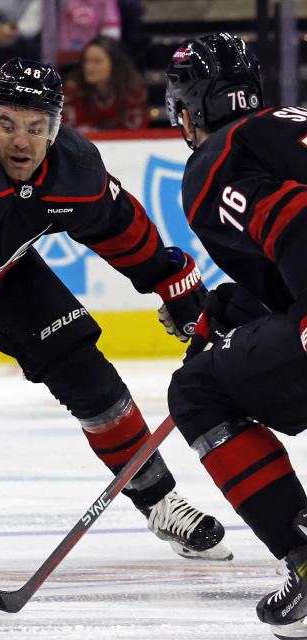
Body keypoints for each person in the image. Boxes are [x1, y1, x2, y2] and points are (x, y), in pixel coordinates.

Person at [0, 56, 235, 564]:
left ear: (55, 128)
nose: (21, 141)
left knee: (88, 375)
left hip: (3, 275)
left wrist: (167, 276)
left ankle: (160, 499)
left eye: (37, 127)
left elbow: (118, 224)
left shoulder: (75, 168)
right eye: (8, 124)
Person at [164, 32, 307, 639]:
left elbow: (296, 220)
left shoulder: (217, 157)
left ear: (189, 106)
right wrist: (221, 310)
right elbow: (282, 264)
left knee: (199, 391)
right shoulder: (284, 129)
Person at [63, 35, 148, 131]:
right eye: (86, 61)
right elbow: (71, 133)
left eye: (97, 61)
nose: (88, 67)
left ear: (115, 65)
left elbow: (137, 133)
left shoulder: (133, 92)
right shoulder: (73, 91)